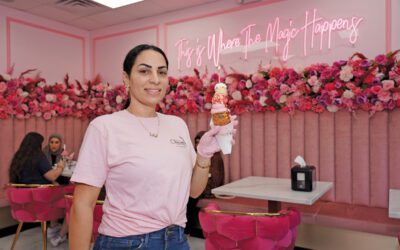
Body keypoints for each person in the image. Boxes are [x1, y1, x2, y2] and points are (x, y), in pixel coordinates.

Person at [69, 44, 237, 250]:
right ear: (126, 78)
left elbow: (193, 192)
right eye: (144, 71)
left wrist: (203, 155)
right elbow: (82, 205)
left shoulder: (177, 125)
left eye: (162, 72)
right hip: (126, 242)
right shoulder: (104, 127)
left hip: (177, 239)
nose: (155, 79)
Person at [8, 132, 67, 246]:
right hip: (41, 204)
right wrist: (61, 166)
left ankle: (54, 228)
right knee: (70, 197)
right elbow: (52, 176)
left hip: (24, 207)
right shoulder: (38, 156)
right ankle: (59, 232)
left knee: (55, 187)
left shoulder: (18, 157)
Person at [185, 131, 225, 236]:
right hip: (198, 185)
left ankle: (187, 229)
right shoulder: (194, 154)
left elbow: (216, 180)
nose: (198, 145)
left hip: (210, 188)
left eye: (200, 142)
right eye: (196, 142)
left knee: (190, 199)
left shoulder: (215, 157)